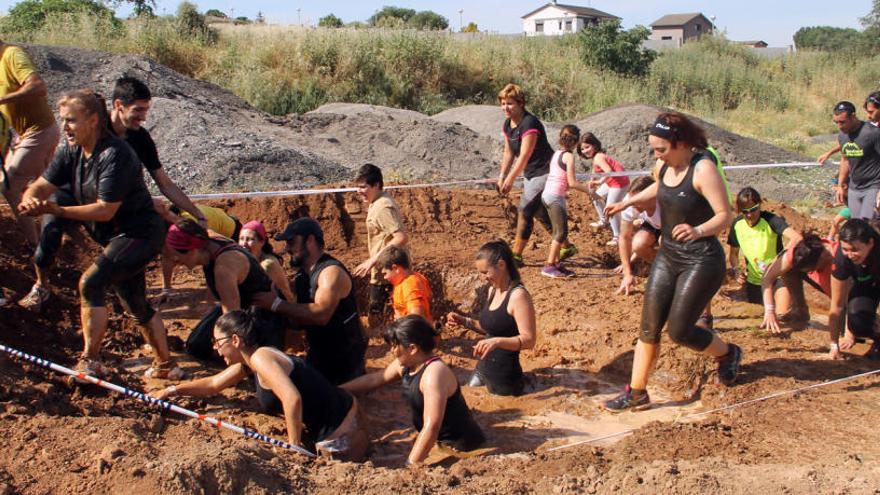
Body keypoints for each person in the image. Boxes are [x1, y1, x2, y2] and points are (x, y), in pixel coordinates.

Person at [18, 89, 182, 379]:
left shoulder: (116, 155)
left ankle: (89, 360)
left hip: (141, 234)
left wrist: (57, 210)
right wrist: (31, 197)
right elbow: (42, 184)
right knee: (134, 301)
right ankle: (166, 365)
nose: (65, 127)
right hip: (117, 238)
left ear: (93, 120)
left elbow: (105, 210)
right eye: (63, 120)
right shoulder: (71, 150)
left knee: (90, 283)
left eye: (71, 120)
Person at [19, 77, 204, 311]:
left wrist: (197, 214)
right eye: (138, 110)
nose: (143, 117)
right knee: (49, 237)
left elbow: (164, 182)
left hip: (110, 202)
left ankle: (124, 295)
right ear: (118, 105)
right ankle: (41, 286)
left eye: (146, 110)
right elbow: (53, 172)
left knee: (128, 245)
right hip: (73, 191)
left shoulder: (139, 139)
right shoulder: (92, 125)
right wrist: (34, 197)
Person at [603, 112, 742, 411]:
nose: (657, 155)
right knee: (648, 327)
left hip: (701, 259)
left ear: (681, 143)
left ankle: (728, 353)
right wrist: (627, 202)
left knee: (680, 331)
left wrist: (698, 230)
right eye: (654, 149)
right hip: (669, 255)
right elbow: (661, 187)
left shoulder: (703, 169)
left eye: (662, 149)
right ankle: (637, 392)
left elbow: (725, 215)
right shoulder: (663, 166)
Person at [155, 310, 368, 460]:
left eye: (218, 342)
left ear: (236, 340)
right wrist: (172, 390)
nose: (216, 349)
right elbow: (212, 384)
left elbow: (292, 398)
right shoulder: (251, 361)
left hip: (342, 434)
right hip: (345, 414)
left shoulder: (261, 358)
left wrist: (293, 447)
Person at [341, 315, 484, 465]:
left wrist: (410, 466)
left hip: (460, 447)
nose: (392, 350)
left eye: (395, 345)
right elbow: (375, 379)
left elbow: (431, 427)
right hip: (437, 441)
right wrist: (337, 391)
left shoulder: (434, 375)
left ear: (413, 348)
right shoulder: (405, 364)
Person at [252, 218, 368, 385]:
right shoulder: (302, 277)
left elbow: (320, 315)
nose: (287, 249)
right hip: (319, 356)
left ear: (310, 240)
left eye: (292, 242)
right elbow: (300, 321)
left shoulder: (330, 273)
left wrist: (277, 304)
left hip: (344, 363)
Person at [164, 219, 286, 361]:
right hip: (241, 303)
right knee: (196, 346)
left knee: (239, 356)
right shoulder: (205, 238)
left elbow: (233, 323)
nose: (174, 260)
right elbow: (179, 223)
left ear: (193, 250)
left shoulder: (224, 268)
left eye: (177, 256)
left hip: (262, 316)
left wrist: (229, 353)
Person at [496, 83, 576, 267]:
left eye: (510, 103)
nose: (505, 108)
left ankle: (516, 255)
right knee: (539, 212)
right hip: (531, 173)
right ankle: (566, 246)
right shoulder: (508, 124)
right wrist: (502, 176)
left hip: (545, 171)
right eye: (503, 103)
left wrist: (510, 179)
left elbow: (525, 155)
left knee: (525, 209)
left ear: (521, 103)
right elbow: (508, 152)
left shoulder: (530, 123)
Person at [446, 240, 536, 396]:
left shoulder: (518, 296)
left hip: (505, 379)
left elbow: (529, 340)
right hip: (482, 369)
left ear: (501, 265)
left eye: (485, 272)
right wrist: (464, 321)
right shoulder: (492, 291)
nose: (483, 278)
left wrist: (498, 342)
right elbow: (491, 327)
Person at [0, 42, 60, 247]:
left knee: (9, 188)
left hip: (39, 131)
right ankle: (52, 238)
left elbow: (38, 86)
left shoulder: (12, 55)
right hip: (24, 133)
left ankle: (37, 246)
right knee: (42, 188)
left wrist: (2, 99)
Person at [153, 198, 243, 299]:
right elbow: (167, 255)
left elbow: (208, 256)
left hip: (232, 230)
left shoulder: (191, 225)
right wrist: (167, 290)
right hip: (214, 223)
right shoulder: (175, 226)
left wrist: (211, 299)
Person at [727, 187, 802, 306]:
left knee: (782, 316)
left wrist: (779, 261)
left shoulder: (770, 220)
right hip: (754, 282)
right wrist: (737, 270)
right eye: (745, 211)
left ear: (760, 205)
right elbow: (733, 254)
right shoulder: (737, 224)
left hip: (778, 278)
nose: (750, 215)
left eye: (753, 209)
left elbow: (797, 238)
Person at [351, 163, 408, 316]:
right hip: (385, 269)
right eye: (358, 187)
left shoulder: (382, 207)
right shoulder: (376, 201)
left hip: (389, 272)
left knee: (380, 315)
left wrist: (373, 260)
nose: (359, 191)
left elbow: (401, 237)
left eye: (363, 187)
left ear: (376, 185)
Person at [539, 124, 592, 278]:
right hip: (555, 197)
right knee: (561, 233)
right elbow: (573, 182)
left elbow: (561, 178)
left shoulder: (556, 153)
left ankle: (556, 264)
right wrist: (590, 192)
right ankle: (549, 266)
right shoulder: (568, 156)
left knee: (558, 232)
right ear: (576, 143)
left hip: (549, 194)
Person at [760, 234, 837, 333]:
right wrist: (769, 311)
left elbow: (842, 302)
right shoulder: (799, 252)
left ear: (822, 258)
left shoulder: (839, 261)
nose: (809, 273)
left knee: (851, 325)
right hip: (823, 274)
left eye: (811, 270)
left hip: (846, 289)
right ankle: (799, 310)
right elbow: (767, 278)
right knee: (788, 270)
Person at [827, 219, 880, 360]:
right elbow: (836, 305)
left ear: (870, 243)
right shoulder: (841, 259)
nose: (850, 255)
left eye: (855, 250)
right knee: (857, 324)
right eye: (845, 249)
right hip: (866, 284)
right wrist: (834, 346)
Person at [579, 132, 629, 246]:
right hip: (612, 181)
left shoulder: (598, 157)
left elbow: (608, 171)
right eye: (582, 149)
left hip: (619, 183)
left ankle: (617, 236)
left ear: (595, 146)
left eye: (587, 147)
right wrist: (592, 181)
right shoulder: (596, 157)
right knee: (595, 195)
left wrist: (599, 182)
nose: (585, 151)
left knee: (610, 209)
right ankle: (604, 220)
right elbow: (595, 171)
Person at [833, 101, 880, 219]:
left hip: (873, 185)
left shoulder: (872, 133)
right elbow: (845, 160)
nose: (839, 126)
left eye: (843, 122)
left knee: (868, 223)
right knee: (857, 224)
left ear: (853, 116)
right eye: (836, 122)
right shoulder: (842, 136)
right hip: (855, 187)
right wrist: (840, 185)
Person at [616, 176, 661, 296]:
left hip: (674, 224)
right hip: (653, 224)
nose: (634, 204)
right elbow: (624, 237)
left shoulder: (665, 202)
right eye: (632, 200)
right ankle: (662, 269)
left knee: (664, 242)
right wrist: (627, 273)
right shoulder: (630, 204)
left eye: (638, 200)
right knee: (638, 244)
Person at [238, 220, 295, 302]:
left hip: (282, 311)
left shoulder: (268, 264)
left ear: (262, 242)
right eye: (241, 239)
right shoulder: (244, 262)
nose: (244, 244)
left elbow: (254, 295)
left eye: (249, 239)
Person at [818, 92, 880, 165]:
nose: (869, 116)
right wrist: (830, 152)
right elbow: (856, 142)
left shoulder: (874, 131)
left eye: (871, 112)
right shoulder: (874, 125)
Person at [376, 246, 433, 324]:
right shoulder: (411, 278)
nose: (385, 277)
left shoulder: (410, 284)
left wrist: (401, 320)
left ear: (396, 268)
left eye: (385, 273)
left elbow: (417, 317)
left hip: (416, 334)